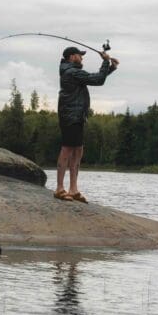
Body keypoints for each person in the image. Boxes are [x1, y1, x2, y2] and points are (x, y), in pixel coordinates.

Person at [54, 46, 118, 203]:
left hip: (77, 116)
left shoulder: (72, 71)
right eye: (79, 55)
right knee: (67, 149)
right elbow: (97, 80)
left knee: (78, 150)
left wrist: (110, 68)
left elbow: (94, 78)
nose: (82, 58)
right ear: (71, 57)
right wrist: (105, 62)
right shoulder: (71, 72)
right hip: (70, 116)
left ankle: (73, 189)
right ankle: (59, 188)